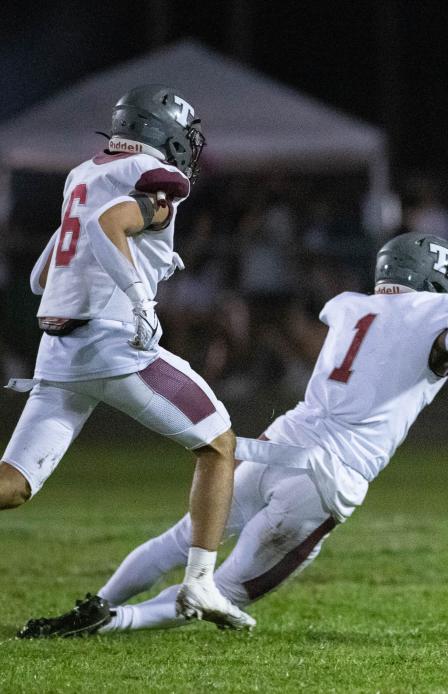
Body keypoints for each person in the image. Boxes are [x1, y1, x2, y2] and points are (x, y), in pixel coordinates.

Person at [17, 232, 448, 637]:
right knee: (223, 591)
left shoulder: (348, 305)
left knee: (181, 539)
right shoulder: (438, 313)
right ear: (436, 280)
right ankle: (108, 623)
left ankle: (96, 600)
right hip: (326, 477)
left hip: (280, 441)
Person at [4, 85, 254, 633]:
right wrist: (140, 297)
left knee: (14, 485)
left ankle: (200, 583)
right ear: (160, 131)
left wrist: (147, 258)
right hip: (111, 344)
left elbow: (41, 276)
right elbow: (108, 226)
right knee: (219, 442)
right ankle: (200, 582)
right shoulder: (157, 178)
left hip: (59, 349)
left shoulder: (83, 173)